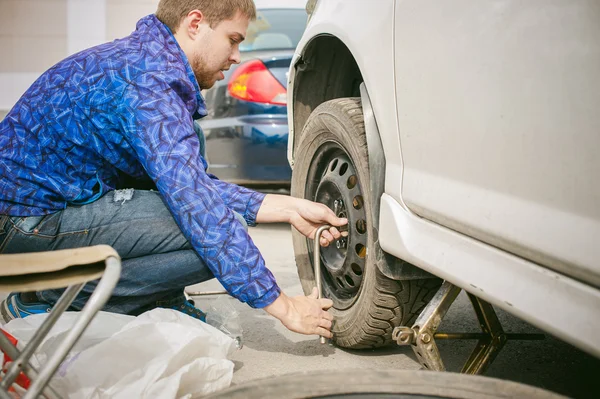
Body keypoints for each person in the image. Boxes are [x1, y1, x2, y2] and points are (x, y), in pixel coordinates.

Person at [0, 0, 347, 340]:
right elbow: (196, 204)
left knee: (212, 218)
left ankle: (146, 298)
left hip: (40, 209)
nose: (237, 56)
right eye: (233, 39)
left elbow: (186, 182)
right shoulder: (148, 84)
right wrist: (284, 306)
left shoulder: (145, 61)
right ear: (195, 24)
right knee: (211, 236)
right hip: (23, 221)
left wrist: (287, 207)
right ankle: (47, 301)